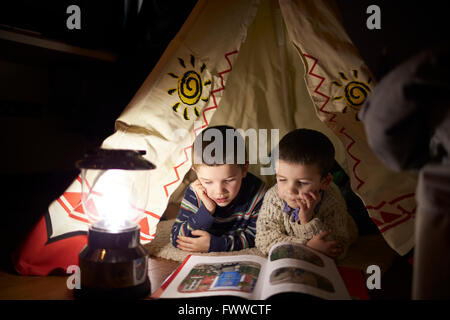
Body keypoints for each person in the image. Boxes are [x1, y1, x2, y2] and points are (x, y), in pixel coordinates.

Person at [255, 129, 358, 260]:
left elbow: (338, 249)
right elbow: (264, 240)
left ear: (324, 182)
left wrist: (307, 220)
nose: (290, 190)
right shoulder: (274, 197)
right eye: (282, 179)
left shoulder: (332, 199)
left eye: (302, 182)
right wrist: (307, 246)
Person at [171, 125, 266, 253]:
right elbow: (177, 237)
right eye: (208, 182)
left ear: (244, 169)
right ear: (196, 172)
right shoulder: (196, 192)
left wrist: (218, 245)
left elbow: (259, 236)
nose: (219, 191)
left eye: (228, 180)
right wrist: (207, 210)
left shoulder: (258, 192)